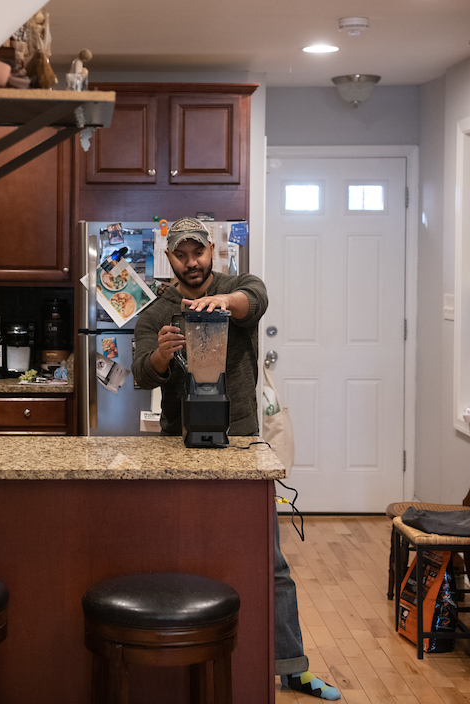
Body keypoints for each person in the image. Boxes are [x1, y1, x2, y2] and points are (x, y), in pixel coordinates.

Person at [132, 217, 342, 700]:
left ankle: (291, 666)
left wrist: (221, 303)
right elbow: (142, 375)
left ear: (213, 253)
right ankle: (184, 665)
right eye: (181, 255)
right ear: (169, 259)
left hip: (242, 441)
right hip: (177, 445)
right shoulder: (154, 314)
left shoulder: (235, 289)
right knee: (184, 554)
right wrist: (162, 356)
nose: (191, 263)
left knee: (270, 563)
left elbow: (257, 297)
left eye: (198, 253)